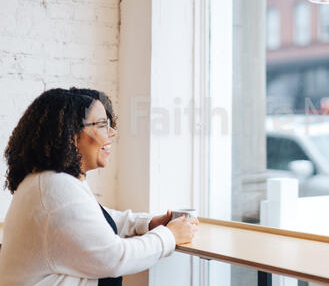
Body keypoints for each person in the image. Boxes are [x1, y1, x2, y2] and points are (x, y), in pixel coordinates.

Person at [0, 88, 199, 285]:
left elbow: (94, 220)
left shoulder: (51, 180)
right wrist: (170, 235)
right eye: (102, 125)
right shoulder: (56, 187)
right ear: (71, 134)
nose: (112, 132)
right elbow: (115, 258)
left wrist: (147, 224)